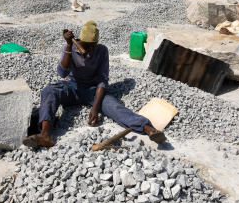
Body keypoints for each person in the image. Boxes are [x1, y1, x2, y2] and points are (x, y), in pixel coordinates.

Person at [22, 21, 167, 148]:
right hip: (72, 86)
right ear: (79, 41)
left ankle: (148, 129)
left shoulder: (102, 51)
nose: (90, 50)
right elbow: (62, 73)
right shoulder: (71, 47)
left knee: (115, 107)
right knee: (49, 91)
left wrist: (95, 108)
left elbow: (102, 80)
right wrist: (68, 46)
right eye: (87, 46)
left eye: (93, 46)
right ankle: (45, 135)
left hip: (93, 90)